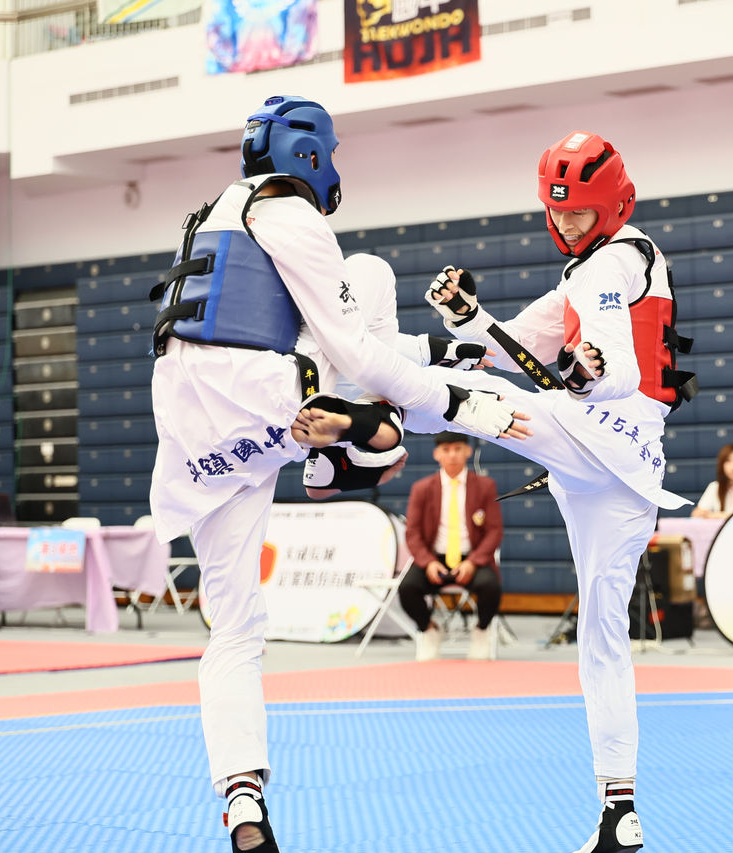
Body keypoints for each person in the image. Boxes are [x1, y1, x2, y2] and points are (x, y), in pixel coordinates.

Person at [147, 95, 529, 853]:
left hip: (193, 426)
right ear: (312, 155)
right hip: (262, 389)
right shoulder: (295, 217)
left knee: (234, 626)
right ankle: (347, 445)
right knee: (383, 362)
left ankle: (241, 797)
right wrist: (458, 403)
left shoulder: (222, 210)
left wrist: (444, 357)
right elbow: (355, 350)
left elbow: (354, 344)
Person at [413, 129, 696, 853]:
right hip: (630, 473)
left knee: (456, 390)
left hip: (600, 433)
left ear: (616, 204)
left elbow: (618, 366)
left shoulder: (616, 262)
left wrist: (591, 373)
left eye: (580, 211)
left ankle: (365, 423)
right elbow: (519, 345)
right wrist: (467, 317)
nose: (567, 223)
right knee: (603, 639)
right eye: (558, 210)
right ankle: (619, 812)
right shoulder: (594, 269)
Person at [399, 431, 503, 661]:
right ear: (437, 454)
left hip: (472, 557)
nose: (452, 455)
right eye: (446, 450)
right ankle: (429, 630)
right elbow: (412, 532)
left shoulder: (485, 486)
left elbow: (494, 530)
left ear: (468, 451)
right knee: (407, 588)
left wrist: (473, 562)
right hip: (435, 558)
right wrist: (428, 562)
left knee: (491, 586)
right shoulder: (422, 488)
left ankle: (481, 631)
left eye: (458, 449)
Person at [691, 444, 733, 519]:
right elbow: (697, 514)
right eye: (728, 461)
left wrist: (712, 515)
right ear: (722, 464)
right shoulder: (714, 487)